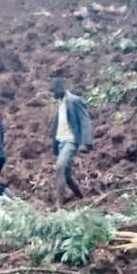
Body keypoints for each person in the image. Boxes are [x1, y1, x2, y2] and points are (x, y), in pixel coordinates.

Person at [50, 77, 93, 205]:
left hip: (70, 141)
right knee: (66, 175)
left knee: (59, 167)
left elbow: (85, 121)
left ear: (60, 89)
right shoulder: (61, 103)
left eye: (54, 91)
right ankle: (81, 197)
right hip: (60, 142)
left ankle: (59, 205)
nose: (53, 95)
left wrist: (85, 143)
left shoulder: (74, 101)